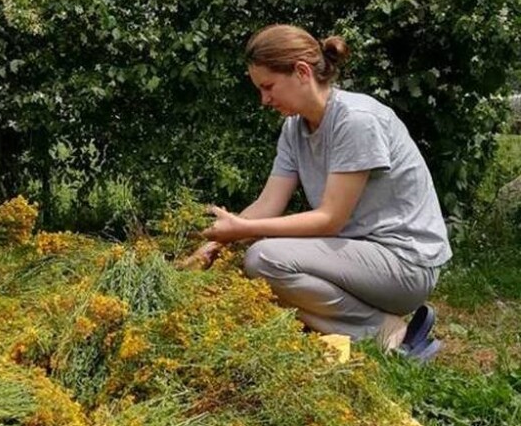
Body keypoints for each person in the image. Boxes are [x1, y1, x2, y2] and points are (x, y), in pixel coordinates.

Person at [191, 24, 450, 359]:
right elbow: (268, 204)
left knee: (263, 258)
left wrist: (241, 229)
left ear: (302, 72)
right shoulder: (294, 129)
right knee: (253, 265)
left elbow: (330, 219)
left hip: (404, 263)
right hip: (357, 258)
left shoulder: (356, 120)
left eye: (268, 87)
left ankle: (388, 333)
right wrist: (214, 243)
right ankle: (369, 328)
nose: (264, 100)